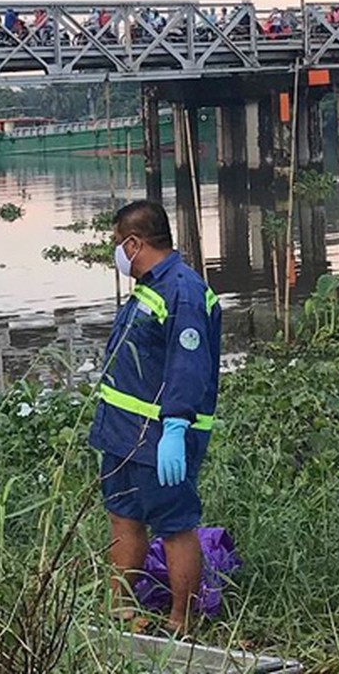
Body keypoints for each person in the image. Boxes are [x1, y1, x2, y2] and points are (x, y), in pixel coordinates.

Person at [89, 200, 222, 636]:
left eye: (116, 244)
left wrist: (177, 426)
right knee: (123, 517)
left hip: (160, 438)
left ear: (134, 242)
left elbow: (189, 366)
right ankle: (122, 613)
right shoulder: (148, 286)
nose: (116, 254)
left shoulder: (182, 291)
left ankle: (181, 623)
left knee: (175, 526)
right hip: (122, 436)